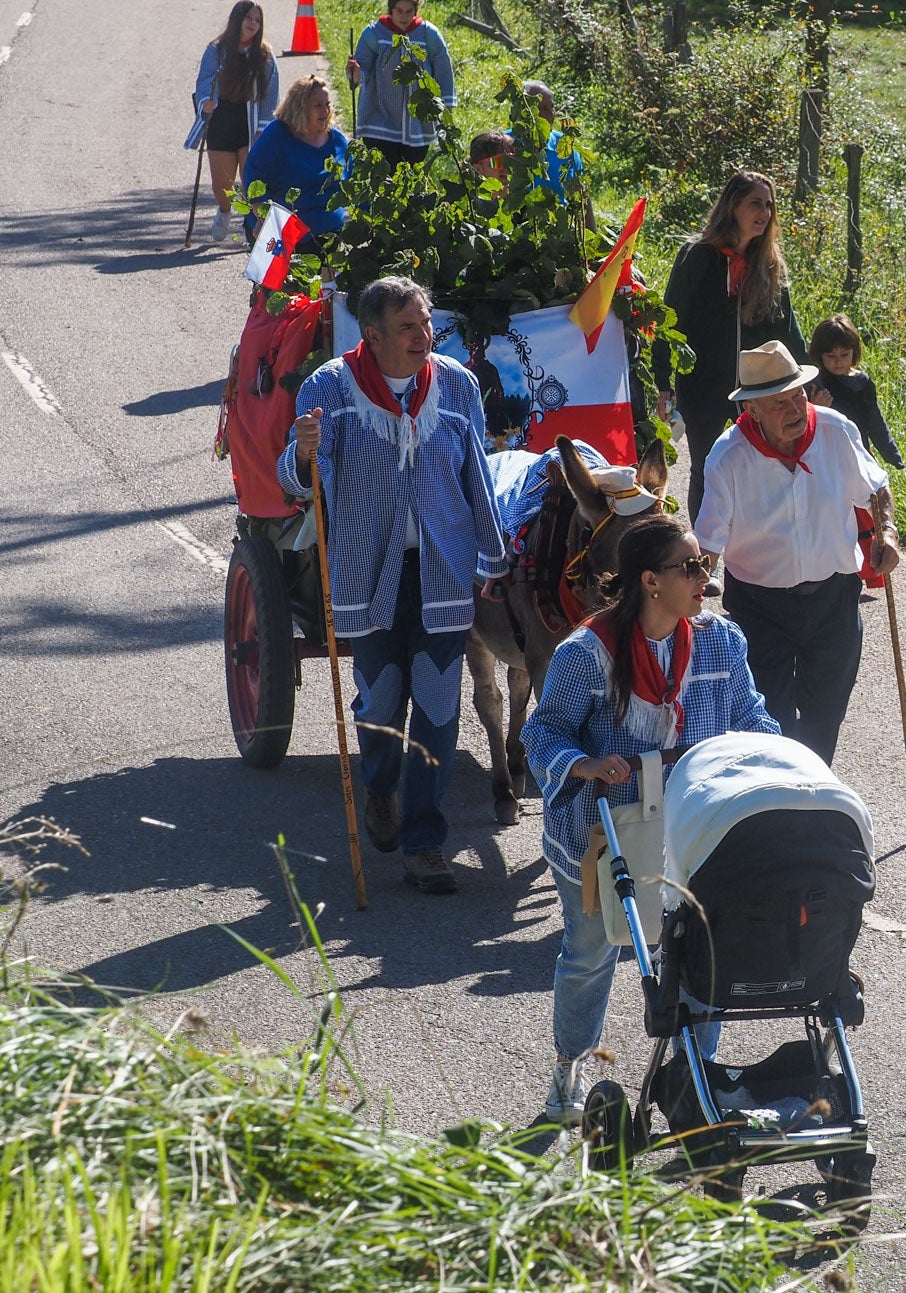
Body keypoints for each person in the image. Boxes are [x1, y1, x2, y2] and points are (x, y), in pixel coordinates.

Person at [520, 514, 780, 1123]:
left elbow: (751, 715)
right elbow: (542, 731)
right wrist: (582, 764)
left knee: (700, 951)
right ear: (649, 581)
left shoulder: (721, 641)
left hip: (691, 828)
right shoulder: (586, 655)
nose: (704, 579)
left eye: (704, 565)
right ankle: (570, 1064)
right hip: (601, 828)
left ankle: (693, 1072)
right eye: (689, 567)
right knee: (591, 952)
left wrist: (786, 765)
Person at [277, 276, 509, 895]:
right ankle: (380, 785)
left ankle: (426, 844)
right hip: (365, 569)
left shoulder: (456, 385)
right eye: (409, 327)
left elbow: (476, 476)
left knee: (437, 703)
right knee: (381, 700)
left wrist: (494, 556)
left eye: (427, 323)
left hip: (442, 570)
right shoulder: (329, 389)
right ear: (372, 335)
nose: (424, 337)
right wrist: (303, 453)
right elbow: (301, 485)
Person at [695, 340, 901, 768]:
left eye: (798, 396)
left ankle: (812, 795)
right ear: (751, 410)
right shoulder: (728, 457)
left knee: (825, 715)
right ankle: (782, 802)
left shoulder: (835, 431)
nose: (794, 410)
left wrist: (887, 532)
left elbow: (876, 487)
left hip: (833, 598)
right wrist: (684, 601)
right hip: (759, 607)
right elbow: (708, 545)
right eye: (779, 404)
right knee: (773, 721)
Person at [653, 170, 808, 522]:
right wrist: (663, 381)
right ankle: (704, 561)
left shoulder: (769, 264)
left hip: (759, 390)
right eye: (756, 203)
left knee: (763, 468)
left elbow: (788, 330)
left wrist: (806, 382)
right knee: (706, 472)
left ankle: (757, 553)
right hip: (703, 386)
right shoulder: (696, 256)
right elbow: (669, 320)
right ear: (732, 205)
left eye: (769, 206)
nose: (764, 213)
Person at [193, 0, 278, 242]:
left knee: (253, 183)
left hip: (249, 122)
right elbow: (204, 81)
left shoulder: (264, 55)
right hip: (221, 123)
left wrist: (263, 127)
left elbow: (271, 94)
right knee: (223, 187)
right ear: (236, 19)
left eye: (257, 20)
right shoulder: (216, 49)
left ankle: (255, 231)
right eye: (248, 17)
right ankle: (224, 210)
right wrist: (205, 102)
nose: (253, 23)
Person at [345, 0, 456, 167]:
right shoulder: (374, 34)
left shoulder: (429, 35)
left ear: (416, 10)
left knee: (409, 178)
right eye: (399, 10)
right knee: (383, 177)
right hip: (379, 123)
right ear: (390, 9)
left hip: (418, 125)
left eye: (409, 11)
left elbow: (444, 72)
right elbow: (362, 70)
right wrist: (355, 72)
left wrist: (446, 109)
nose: (404, 17)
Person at [242, 75, 350, 250]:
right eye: (318, 106)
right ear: (300, 108)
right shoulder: (276, 136)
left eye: (328, 104)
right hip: (281, 236)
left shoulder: (337, 141)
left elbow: (356, 185)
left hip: (329, 238)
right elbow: (254, 179)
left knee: (330, 277)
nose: (325, 111)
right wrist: (263, 218)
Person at [808, 315, 904, 469]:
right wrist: (814, 408)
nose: (838, 361)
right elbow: (803, 426)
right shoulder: (816, 385)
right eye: (831, 356)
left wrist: (892, 455)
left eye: (844, 355)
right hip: (826, 458)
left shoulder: (862, 383)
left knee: (872, 491)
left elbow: (875, 422)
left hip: (859, 452)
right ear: (820, 355)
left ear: (854, 351)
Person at [521, 80, 596, 229]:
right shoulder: (507, 144)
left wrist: (591, 237)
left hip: (563, 230)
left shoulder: (565, 146)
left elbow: (582, 196)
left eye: (551, 107)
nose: (550, 115)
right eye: (542, 108)